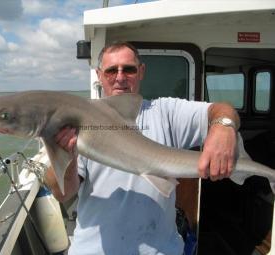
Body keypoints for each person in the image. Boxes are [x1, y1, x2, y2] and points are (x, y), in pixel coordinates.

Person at [45, 42, 240, 255]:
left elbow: (221, 109)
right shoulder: (78, 121)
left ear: (141, 72)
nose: (120, 77)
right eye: (111, 71)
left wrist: (224, 128)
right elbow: (63, 194)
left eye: (128, 69)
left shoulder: (166, 112)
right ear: (99, 75)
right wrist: (65, 153)